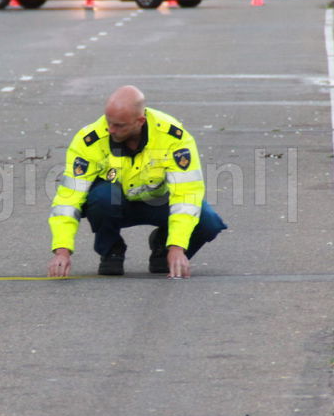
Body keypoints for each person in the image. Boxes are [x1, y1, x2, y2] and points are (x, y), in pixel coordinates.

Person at [47, 85, 226, 278]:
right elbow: (68, 198)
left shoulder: (172, 137)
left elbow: (186, 195)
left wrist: (177, 246)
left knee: (209, 222)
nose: (110, 129)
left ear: (140, 121)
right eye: (109, 122)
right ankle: (111, 250)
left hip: (157, 202)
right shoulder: (89, 140)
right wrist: (62, 250)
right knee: (101, 197)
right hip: (114, 204)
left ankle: (162, 248)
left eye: (119, 126)